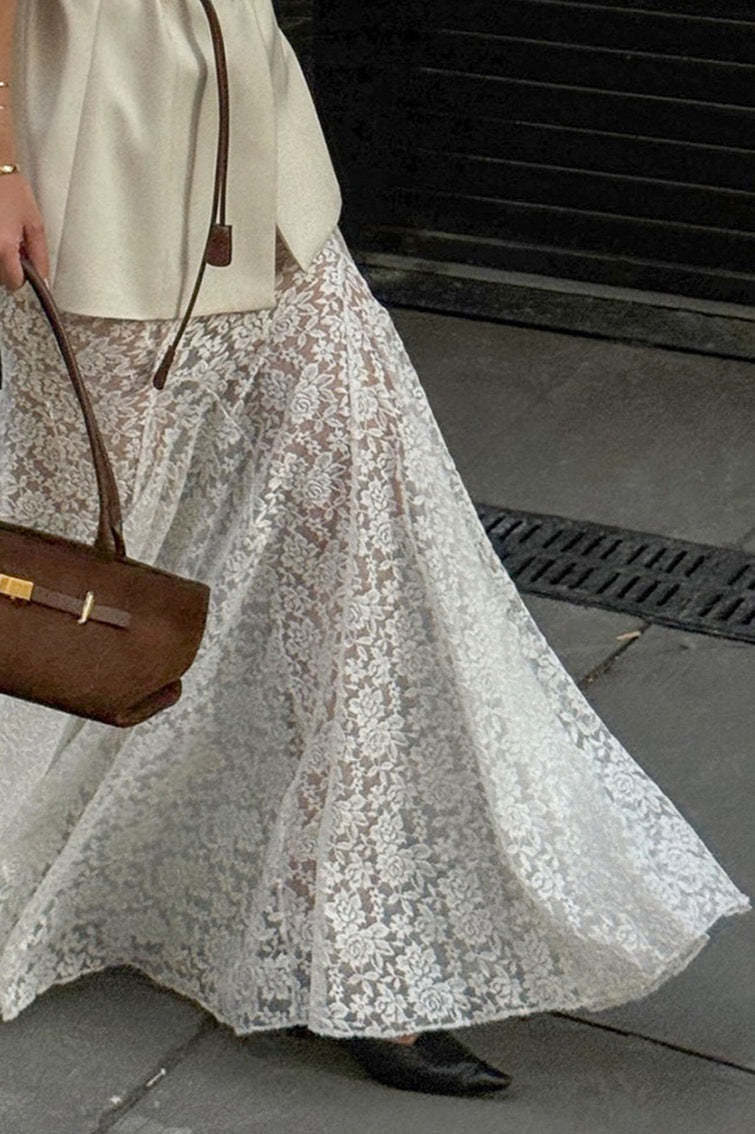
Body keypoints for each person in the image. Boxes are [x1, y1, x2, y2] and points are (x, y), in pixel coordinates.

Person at [0, 0, 750, 1102]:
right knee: (59, 564)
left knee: (372, 542)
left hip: (256, 161)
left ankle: (359, 956)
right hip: (91, 154)